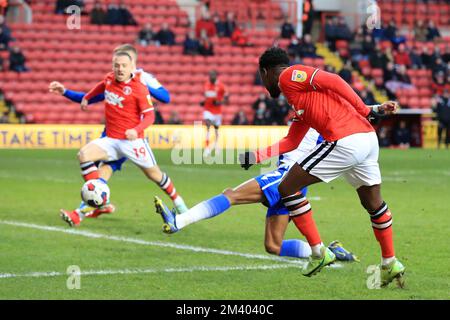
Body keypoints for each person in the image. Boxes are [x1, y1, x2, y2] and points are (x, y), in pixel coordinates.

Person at [238, 47, 404, 287]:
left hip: (346, 140)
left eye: (261, 78)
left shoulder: (287, 76)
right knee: (373, 203)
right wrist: (257, 155)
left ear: (266, 72)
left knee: (287, 188)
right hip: (366, 139)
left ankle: (318, 252)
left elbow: (334, 80)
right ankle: (390, 263)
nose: (264, 84)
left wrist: (367, 110)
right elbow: (292, 141)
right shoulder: (301, 101)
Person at [155, 128, 359, 263]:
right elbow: (290, 142)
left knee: (231, 195)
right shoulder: (308, 115)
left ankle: (179, 221)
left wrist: (372, 111)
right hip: (293, 182)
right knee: (273, 246)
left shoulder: (321, 117)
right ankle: (330, 251)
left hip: (285, 177)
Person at [49, 44, 179, 220]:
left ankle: (88, 210)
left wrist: (142, 85)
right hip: (110, 137)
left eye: (123, 63)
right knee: (98, 175)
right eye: (115, 63)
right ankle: (88, 210)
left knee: (147, 175)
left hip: (130, 138)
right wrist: (65, 92)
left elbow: (166, 98)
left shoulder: (143, 78)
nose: (118, 67)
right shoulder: (112, 80)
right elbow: (91, 96)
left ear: (132, 63)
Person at [201, 70, 228, 157]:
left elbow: (227, 98)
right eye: (210, 75)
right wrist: (203, 102)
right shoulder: (206, 85)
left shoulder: (221, 86)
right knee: (208, 125)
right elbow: (206, 97)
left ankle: (216, 145)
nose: (211, 77)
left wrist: (220, 102)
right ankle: (207, 148)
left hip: (217, 111)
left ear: (216, 76)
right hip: (208, 110)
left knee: (216, 129)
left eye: (213, 75)